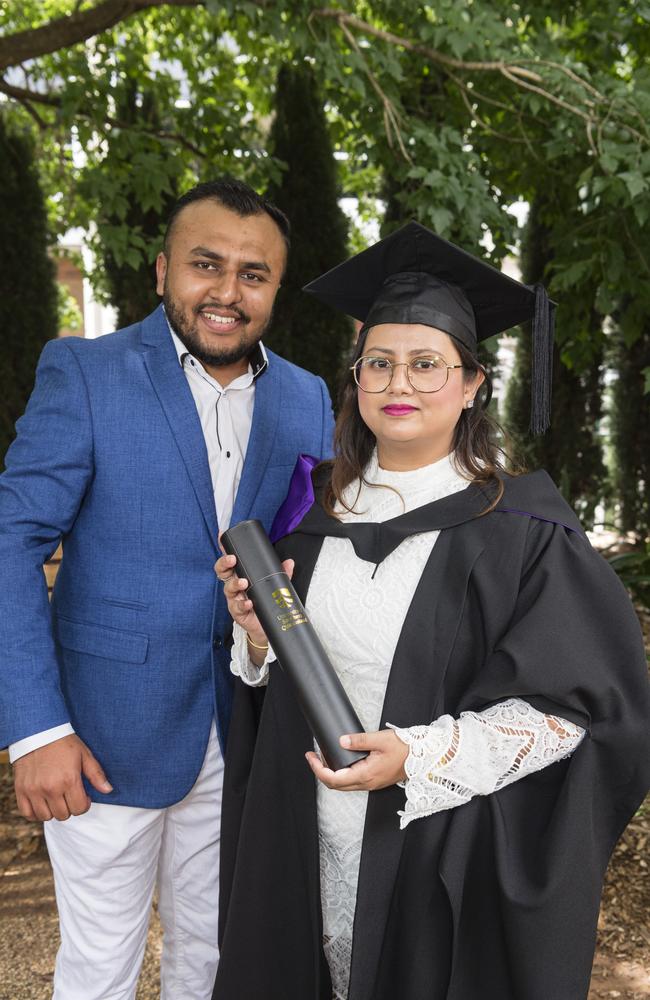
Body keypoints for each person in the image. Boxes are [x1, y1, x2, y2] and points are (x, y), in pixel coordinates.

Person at [213, 221, 649, 1000]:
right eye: (378, 364)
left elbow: (573, 709)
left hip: (433, 843)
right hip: (309, 835)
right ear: (355, 379)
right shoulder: (314, 521)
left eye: (425, 364)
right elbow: (283, 684)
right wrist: (255, 641)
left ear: (473, 382)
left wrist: (419, 757)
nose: (399, 384)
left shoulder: (521, 531)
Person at [0, 178, 335, 1000]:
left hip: (248, 729)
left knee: (217, 959)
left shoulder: (309, 396)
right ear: (161, 272)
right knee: (100, 969)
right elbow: (12, 540)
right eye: (206, 265)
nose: (227, 292)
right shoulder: (85, 372)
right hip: (103, 734)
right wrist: (36, 730)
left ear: (275, 289)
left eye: (253, 275)